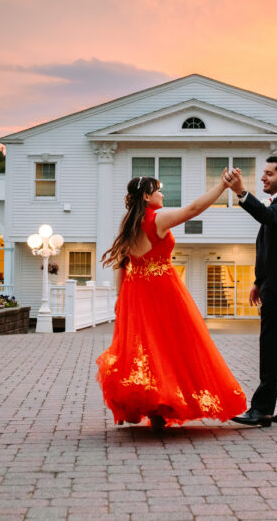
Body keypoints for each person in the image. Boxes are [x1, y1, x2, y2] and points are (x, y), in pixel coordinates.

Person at [96, 174, 247, 429]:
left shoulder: (129, 224)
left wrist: (120, 298)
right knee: (174, 343)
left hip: (136, 291)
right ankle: (163, 403)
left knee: (148, 345)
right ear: (146, 196)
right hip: (162, 288)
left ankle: (156, 407)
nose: (162, 195)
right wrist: (222, 186)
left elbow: (123, 264)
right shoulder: (157, 218)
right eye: (158, 191)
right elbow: (194, 209)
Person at [224, 156, 277, 427]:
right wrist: (259, 281)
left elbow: (268, 217)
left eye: (269, 174)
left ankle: (261, 410)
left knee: (271, 348)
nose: (263, 177)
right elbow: (268, 247)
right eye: (263, 173)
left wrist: (240, 192)